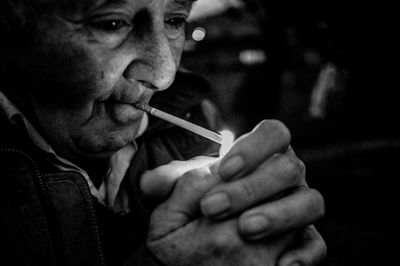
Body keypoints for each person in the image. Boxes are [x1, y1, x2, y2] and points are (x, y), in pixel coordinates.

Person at [0, 0, 326, 265]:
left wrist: (268, 226)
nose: (164, 74)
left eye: (173, 19)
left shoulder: (194, 114)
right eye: (113, 23)